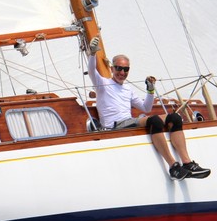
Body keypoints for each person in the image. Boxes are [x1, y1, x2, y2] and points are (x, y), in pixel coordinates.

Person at [87, 41, 210, 180]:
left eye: (126, 69)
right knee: (155, 120)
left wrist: (150, 89)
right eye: (118, 68)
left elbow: (146, 108)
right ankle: (173, 167)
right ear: (111, 68)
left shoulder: (128, 89)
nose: (122, 72)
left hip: (129, 121)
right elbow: (92, 71)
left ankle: (187, 163)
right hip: (115, 125)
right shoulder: (102, 83)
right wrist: (92, 53)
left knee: (175, 118)